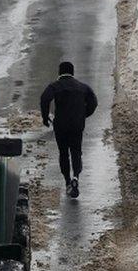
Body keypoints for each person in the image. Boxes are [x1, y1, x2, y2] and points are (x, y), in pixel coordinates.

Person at [40, 61, 97, 198]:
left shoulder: (55, 86)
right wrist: (83, 115)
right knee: (76, 152)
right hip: (77, 126)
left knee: (63, 153)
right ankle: (76, 176)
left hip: (61, 125)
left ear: (60, 72)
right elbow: (93, 103)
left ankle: (67, 182)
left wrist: (45, 117)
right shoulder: (83, 87)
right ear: (72, 72)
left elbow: (44, 99)